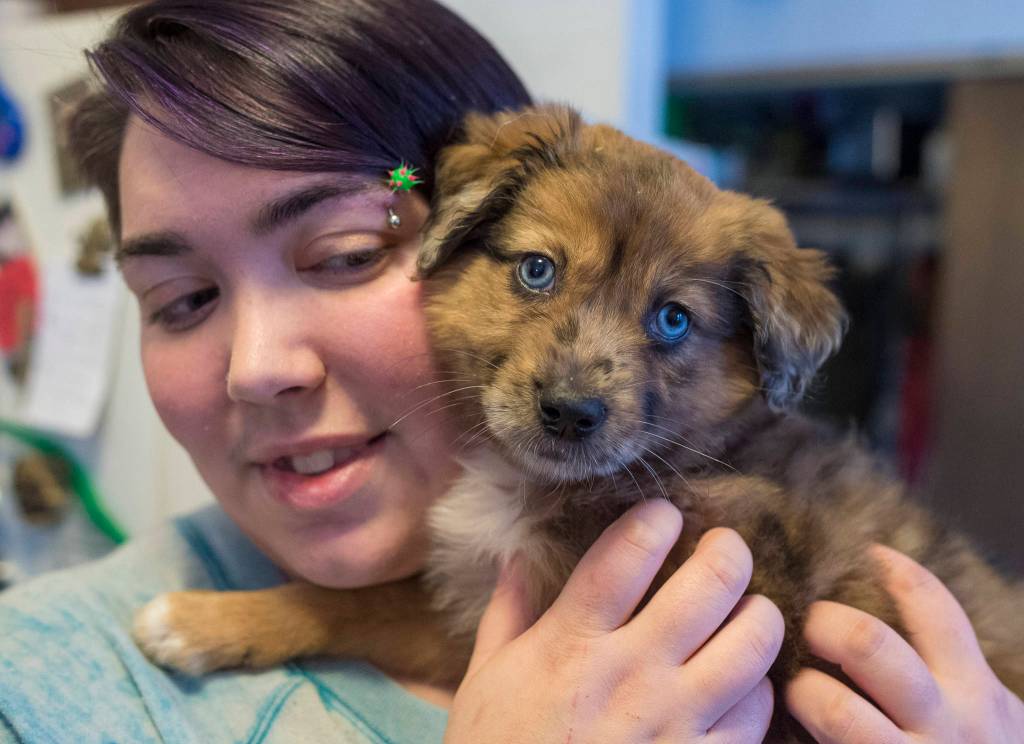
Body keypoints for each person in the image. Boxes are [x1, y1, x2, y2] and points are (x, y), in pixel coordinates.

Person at [1, 2, 1020, 742]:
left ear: (438, 229)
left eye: (349, 254)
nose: (260, 369)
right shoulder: (41, 683)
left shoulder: (691, 517)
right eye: (182, 299)